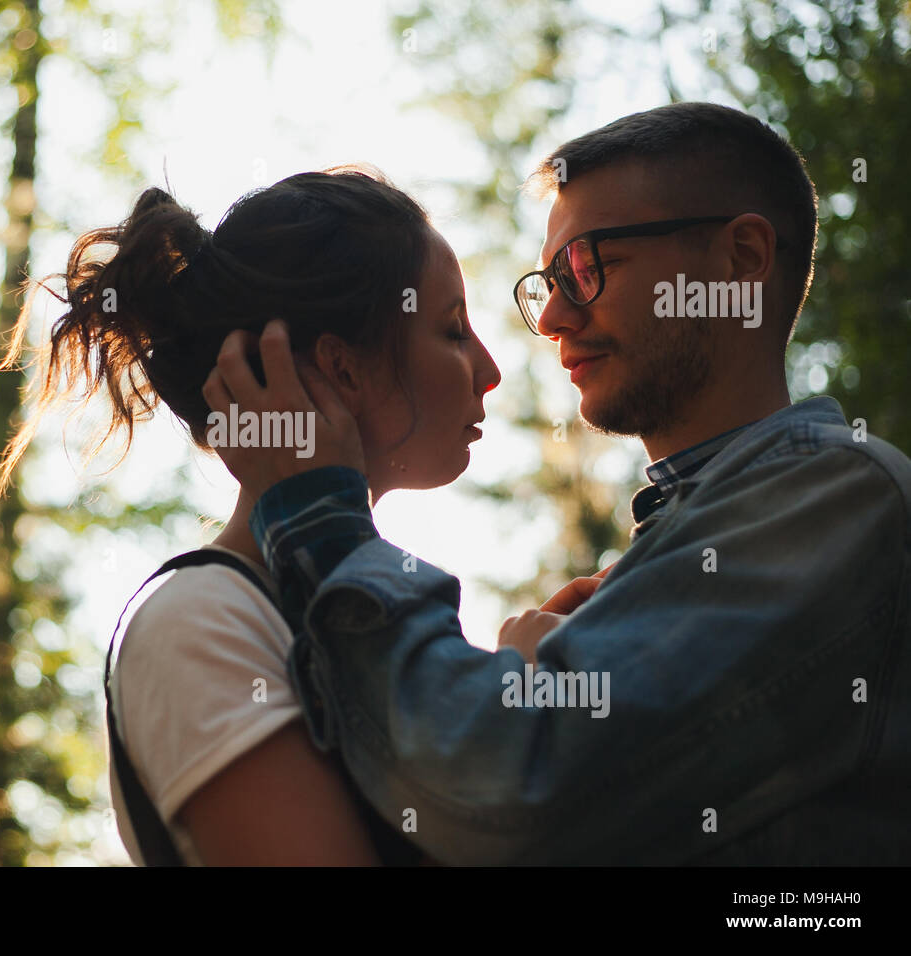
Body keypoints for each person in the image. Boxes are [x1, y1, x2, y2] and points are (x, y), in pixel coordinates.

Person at [202, 102, 911, 864]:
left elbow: (506, 791)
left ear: (739, 260)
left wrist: (319, 516)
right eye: (547, 281)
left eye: (586, 267)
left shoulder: (841, 492)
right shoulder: (694, 540)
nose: (552, 320)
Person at [0, 165, 510, 864]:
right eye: (451, 331)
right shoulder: (201, 621)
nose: (489, 367)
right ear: (339, 369)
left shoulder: (356, 613)